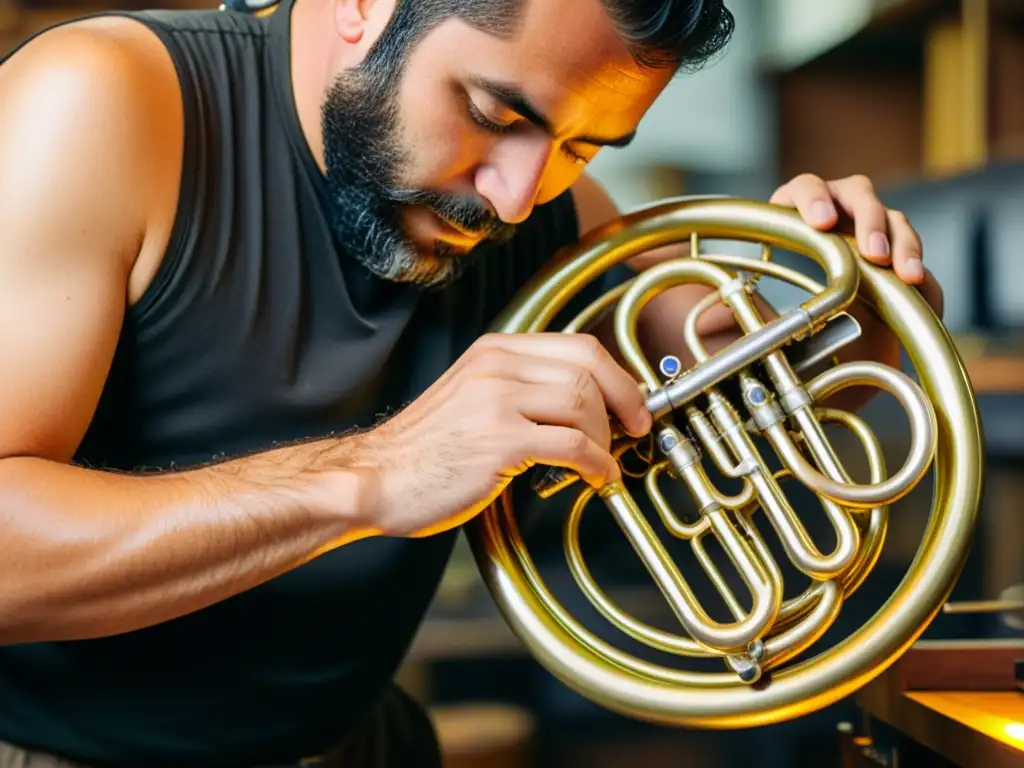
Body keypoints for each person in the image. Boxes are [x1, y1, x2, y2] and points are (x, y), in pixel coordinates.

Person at [0, 0, 944, 765]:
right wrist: (378, 473)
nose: (517, 196)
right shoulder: (106, 99)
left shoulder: (545, 208)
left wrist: (849, 322)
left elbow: (701, 386)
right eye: (497, 113)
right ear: (363, 8)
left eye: (582, 147)